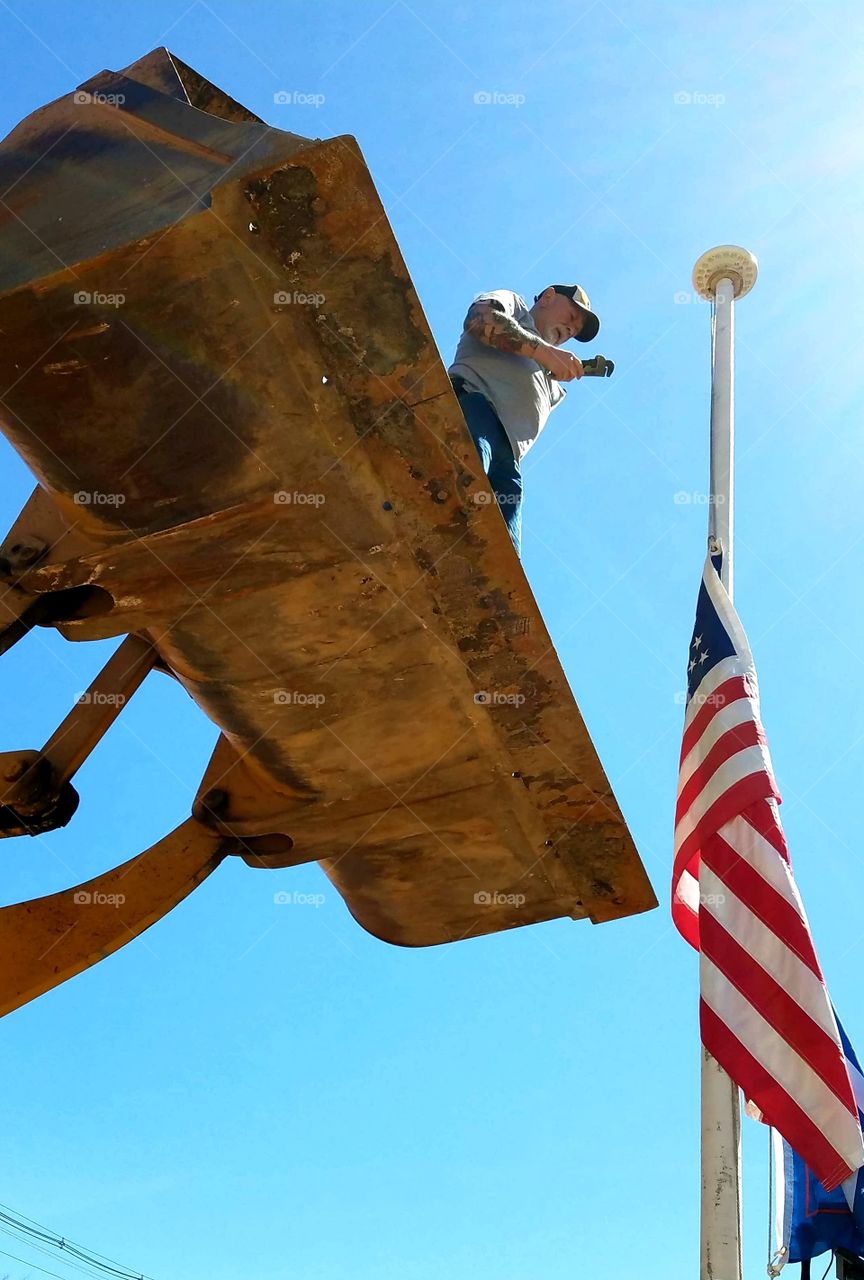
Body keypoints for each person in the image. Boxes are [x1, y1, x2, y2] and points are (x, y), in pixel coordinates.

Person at [448, 283, 601, 556]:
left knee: (502, 559)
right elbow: (480, 318)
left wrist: (550, 364)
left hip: (509, 463)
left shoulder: (552, 382)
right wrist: (545, 353)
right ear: (548, 297)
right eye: (572, 316)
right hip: (475, 410)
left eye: (576, 330)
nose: (572, 329)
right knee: (453, 488)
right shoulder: (515, 307)